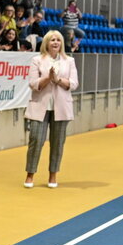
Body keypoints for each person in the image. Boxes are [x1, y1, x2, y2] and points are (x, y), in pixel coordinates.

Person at [24, 30, 77, 189]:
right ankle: (30, 174)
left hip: (62, 107)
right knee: (36, 140)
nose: (55, 43)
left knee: (58, 143)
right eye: (52, 40)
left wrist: (58, 80)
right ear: (46, 43)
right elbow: (33, 84)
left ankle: (53, 174)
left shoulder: (70, 61)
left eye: (58, 40)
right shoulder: (36, 60)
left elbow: (73, 84)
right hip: (40, 106)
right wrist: (49, 78)